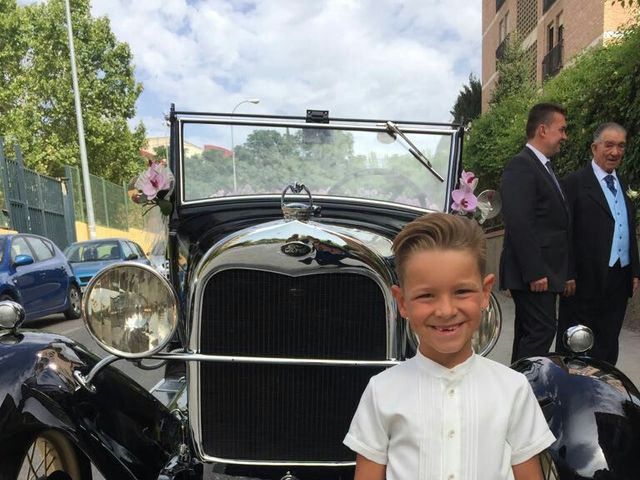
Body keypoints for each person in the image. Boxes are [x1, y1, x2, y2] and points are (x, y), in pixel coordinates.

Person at [343, 213, 555, 480]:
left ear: (485, 292)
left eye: (461, 292)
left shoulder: (513, 389)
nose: (445, 311)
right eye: (426, 295)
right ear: (402, 301)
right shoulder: (381, 391)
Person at [557, 123, 639, 364]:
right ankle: (572, 389)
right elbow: (564, 232)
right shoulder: (574, 183)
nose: (615, 152)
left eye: (621, 146)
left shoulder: (625, 184)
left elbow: (628, 226)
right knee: (576, 338)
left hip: (619, 276)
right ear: (595, 147)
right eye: (609, 145)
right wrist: (567, 272)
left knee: (608, 337)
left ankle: (604, 389)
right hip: (583, 278)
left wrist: (635, 270)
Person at [500, 102, 574, 363]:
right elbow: (519, 222)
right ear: (543, 130)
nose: (565, 136)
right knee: (541, 331)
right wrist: (534, 271)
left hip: (546, 271)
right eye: (562, 129)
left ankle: (518, 389)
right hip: (535, 273)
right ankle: (528, 391)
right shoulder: (521, 166)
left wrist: (565, 272)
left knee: (529, 333)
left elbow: (556, 224)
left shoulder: (544, 166)